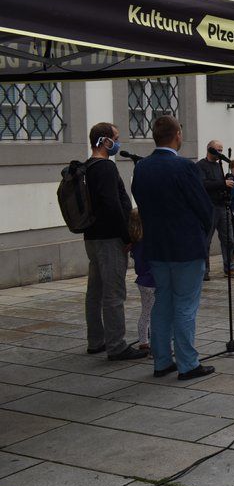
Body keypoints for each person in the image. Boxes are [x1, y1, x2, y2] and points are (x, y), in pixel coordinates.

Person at [131, 115, 215, 380]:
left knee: (162, 303)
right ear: (177, 134)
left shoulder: (142, 167)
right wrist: (202, 232)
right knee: (185, 305)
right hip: (185, 247)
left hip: (157, 247)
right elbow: (204, 207)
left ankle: (162, 361)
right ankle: (188, 364)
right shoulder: (184, 167)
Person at [82, 122, 147, 361]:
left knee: (95, 291)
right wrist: (126, 236)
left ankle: (96, 340)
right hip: (110, 238)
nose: (118, 143)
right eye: (116, 138)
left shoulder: (87, 167)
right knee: (113, 293)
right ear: (105, 141)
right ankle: (116, 345)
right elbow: (112, 206)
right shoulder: (105, 168)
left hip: (92, 236)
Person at [197, 141, 234, 281]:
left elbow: (220, 184)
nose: (220, 152)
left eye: (221, 150)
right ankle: (204, 271)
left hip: (222, 206)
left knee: (228, 239)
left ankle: (229, 267)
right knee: (206, 241)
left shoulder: (219, 166)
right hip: (208, 207)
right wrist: (223, 183)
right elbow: (202, 184)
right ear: (209, 149)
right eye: (217, 150)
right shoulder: (200, 166)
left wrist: (227, 182)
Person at [128, 209, 153, 351]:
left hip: (142, 280)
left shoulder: (135, 242)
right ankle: (148, 341)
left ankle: (144, 340)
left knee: (145, 312)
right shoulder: (147, 241)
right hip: (151, 280)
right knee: (153, 314)